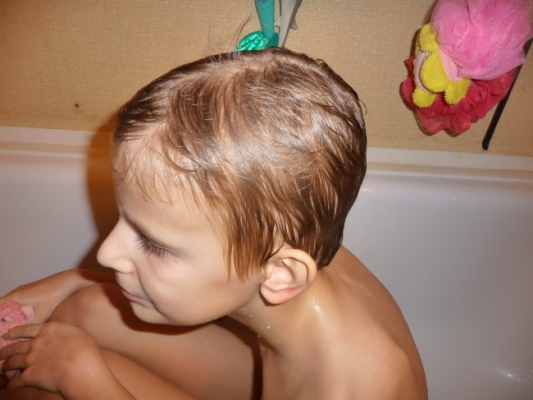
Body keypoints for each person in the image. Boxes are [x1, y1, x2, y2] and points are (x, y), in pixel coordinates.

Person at [0, 48, 427, 399]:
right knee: (82, 312)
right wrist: (73, 282)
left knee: (52, 383)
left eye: (154, 244)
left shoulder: (344, 390)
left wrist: (87, 381)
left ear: (282, 274)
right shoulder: (284, 226)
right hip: (272, 362)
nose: (107, 252)